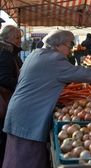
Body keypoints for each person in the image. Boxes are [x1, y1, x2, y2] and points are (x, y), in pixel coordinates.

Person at [2, 29, 91, 168]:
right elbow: (83, 74)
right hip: (30, 116)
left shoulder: (36, 54)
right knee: (26, 159)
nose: (70, 51)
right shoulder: (54, 59)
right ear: (58, 45)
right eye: (69, 46)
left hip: (18, 111)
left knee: (14, 156)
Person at [0, 25, 22, 167]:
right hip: (5, 102)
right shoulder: (5, 54)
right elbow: (3, 78)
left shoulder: (11, 53)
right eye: (17, 37)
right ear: (7, 38)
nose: (20, 40)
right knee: (3, 137)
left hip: (9, 102)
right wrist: (23, 86)